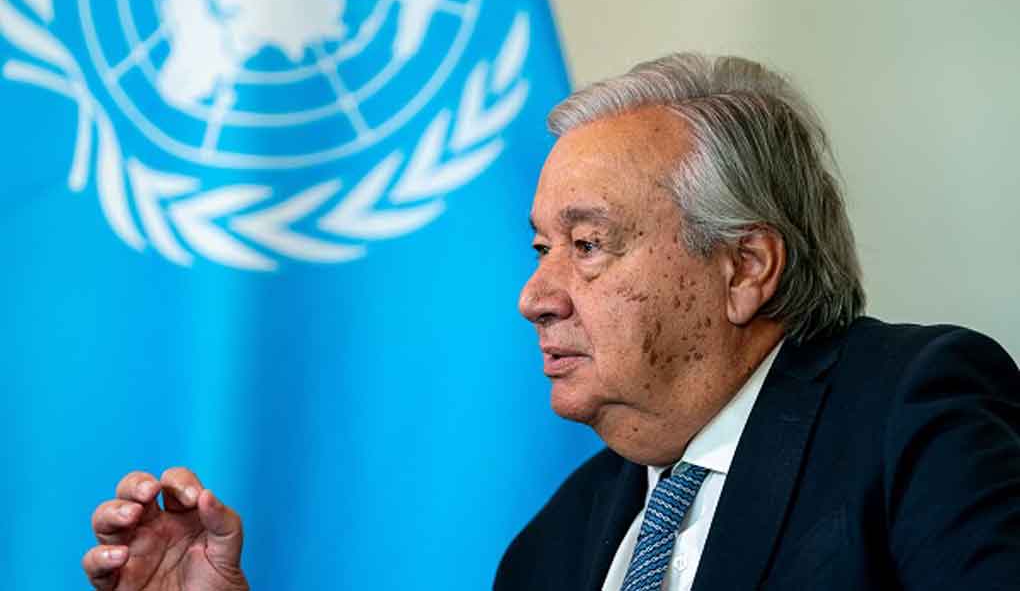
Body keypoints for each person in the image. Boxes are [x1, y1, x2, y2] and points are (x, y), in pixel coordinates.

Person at [83, 53, 1020, 591]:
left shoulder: (913, 414)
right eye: (541, 247)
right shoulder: (559, 540)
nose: (536, 295)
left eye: (588, 244)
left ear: (744, 268)